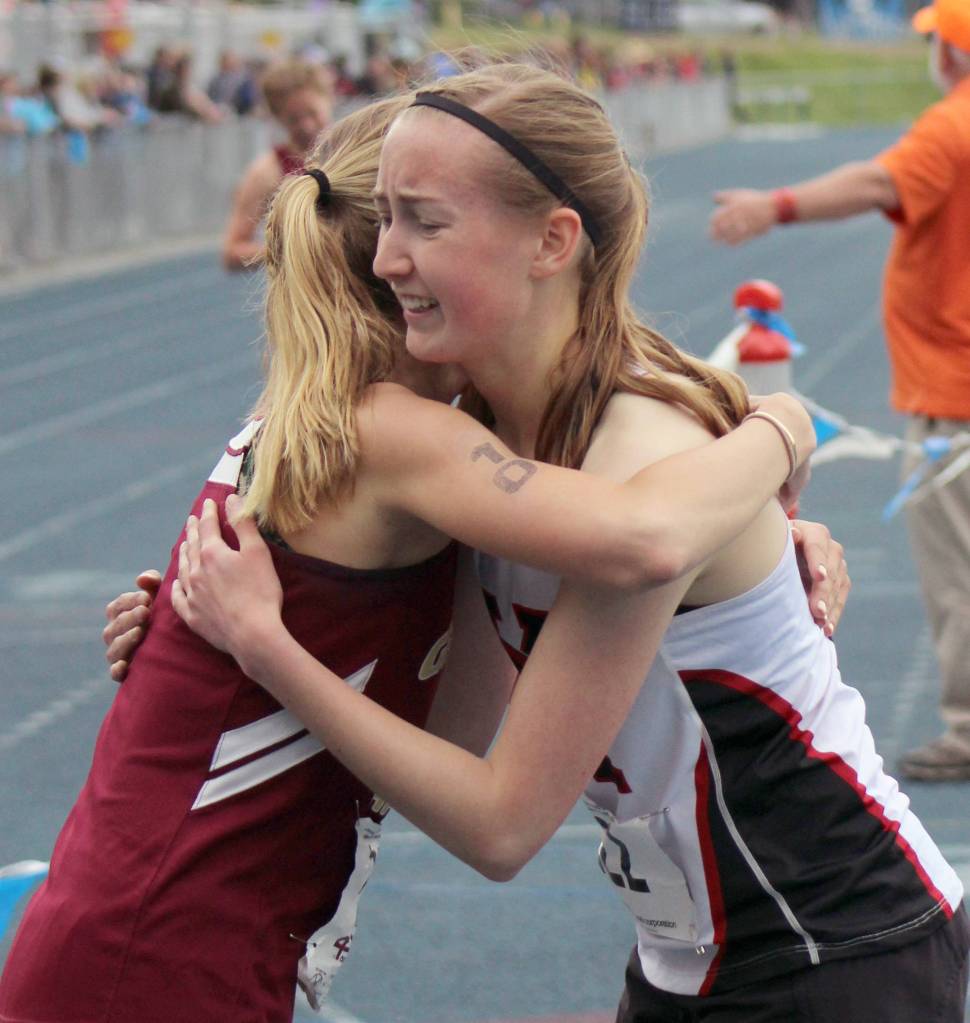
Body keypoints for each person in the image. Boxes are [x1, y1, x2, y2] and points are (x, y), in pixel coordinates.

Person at [0, 88, 829, 1023]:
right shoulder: (399, 438)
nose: (406, 252)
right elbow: (641, 536)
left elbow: (464, 717)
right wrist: (783, 428)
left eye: (425, 221)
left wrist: (768, 545)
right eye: (403, 221)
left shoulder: (323, 424)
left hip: (138, 926)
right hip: (165, 951)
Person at [165, 63, 967, 1023]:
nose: (385, 259)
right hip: (695, 961)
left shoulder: (634, 456)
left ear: (552, 240)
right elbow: (450, 733)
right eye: (385, 219)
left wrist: (270, 647)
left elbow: (502, 823)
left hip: (835, 949)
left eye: (425, 220)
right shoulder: (493, 448)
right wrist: (195, 638)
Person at [709, 1, 970, 784]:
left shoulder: (950, 127)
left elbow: (877, 180)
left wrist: (773, 207)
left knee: (955, 562)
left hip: (953, 384)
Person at [222, 58, 333, 272]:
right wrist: (287, 251)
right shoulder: (267, 171)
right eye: (293, 119)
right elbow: (232, 251)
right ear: (277, 117)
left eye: (313, 113)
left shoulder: (353, 153)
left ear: (328, 99)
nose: (307, 126)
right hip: (302, 295)